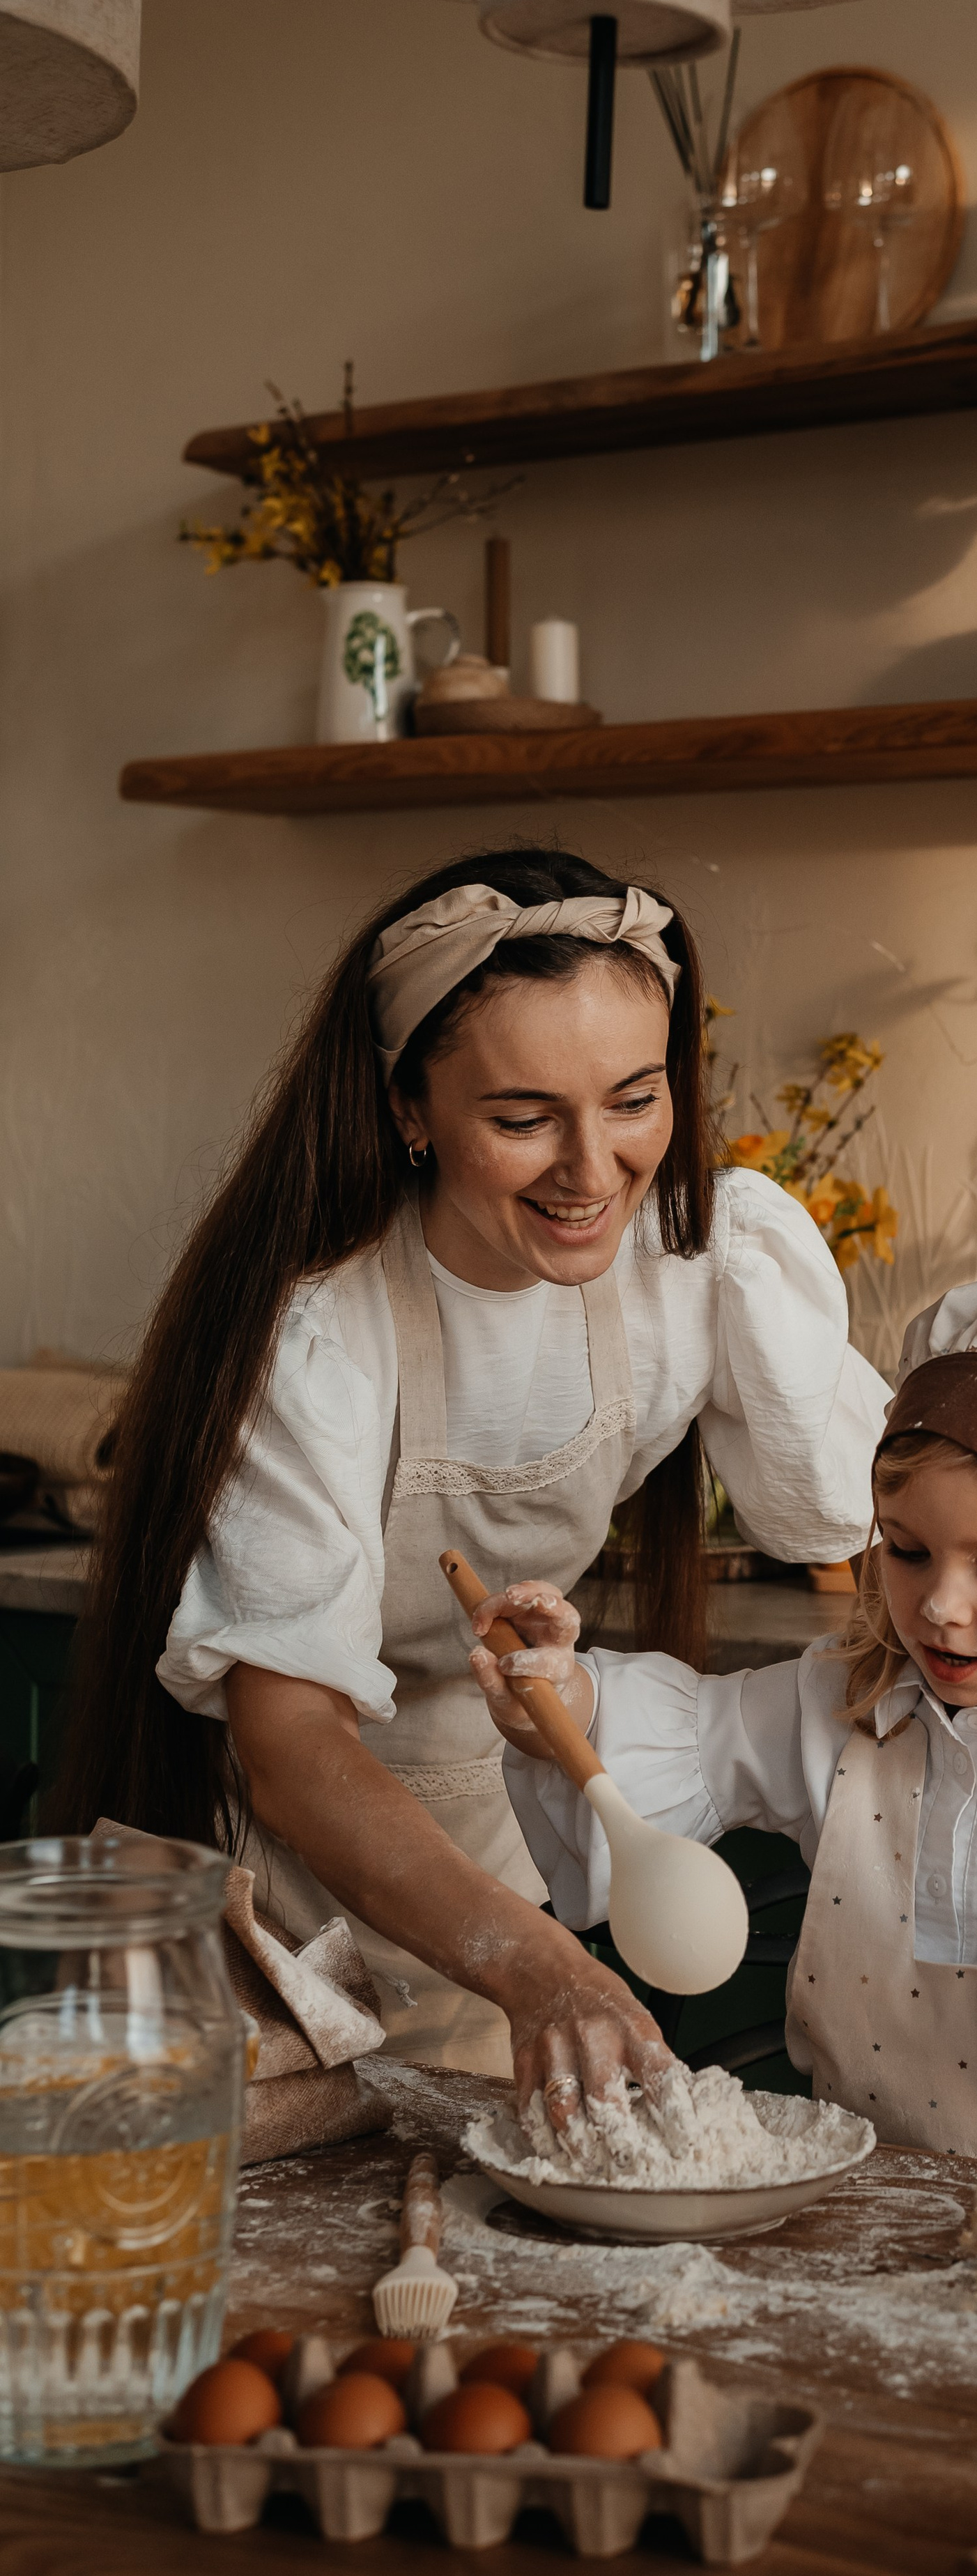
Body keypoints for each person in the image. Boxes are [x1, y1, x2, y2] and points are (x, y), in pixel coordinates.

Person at [47, 846, 888, 2101]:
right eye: (522, 1118)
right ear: (408, 1110)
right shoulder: (325, 1334)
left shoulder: (701, 1264)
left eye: (635, 1099)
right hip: (284, 1902)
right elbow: (289, 1741)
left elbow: (853, 1516)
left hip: (498, 1862)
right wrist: (542, 1968)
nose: (593, 1171)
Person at [476, 1271, 977, 2179]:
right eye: (908, 1550)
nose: (938, 1605)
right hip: (851, 2194)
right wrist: (553, 1698)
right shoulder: (846, 1704)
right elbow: (671, 1735)